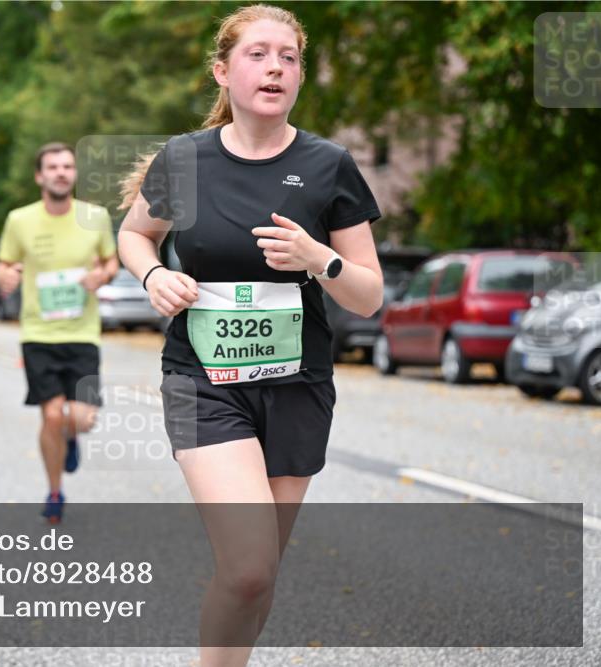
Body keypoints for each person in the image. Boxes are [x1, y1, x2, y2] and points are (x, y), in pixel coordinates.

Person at [117, 5, 383, 665]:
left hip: (297, 384)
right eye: (258, 54)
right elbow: (134, 234)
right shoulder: (184, 159)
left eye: (289, 57)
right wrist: (153, 274)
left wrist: (319, 258)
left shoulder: (329, 164)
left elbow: (369, 294)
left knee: (259, 579)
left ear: (300, 76)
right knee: (247, 567)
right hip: (203, 380)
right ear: (222, 71)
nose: (275, 68)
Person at [0, 142, 119, 522]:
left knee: (82, 419)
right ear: (40, 176)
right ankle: (54, 491)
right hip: (39, 334)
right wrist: (6, 277)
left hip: (83, 334)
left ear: (75, 174)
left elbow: (111, 261)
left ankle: (70, 435)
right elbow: (5, 264)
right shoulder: (19, 220)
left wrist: (102, 275)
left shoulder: (95, 217)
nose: (61, 172)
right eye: (52, 167)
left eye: (67, 166)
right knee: (51, 415)